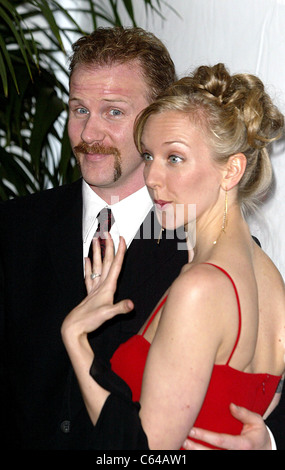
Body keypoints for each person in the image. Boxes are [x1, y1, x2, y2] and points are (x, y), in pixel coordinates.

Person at [0, 26, 283, 450]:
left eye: (113, 111)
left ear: (159, 112)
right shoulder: (13, 226)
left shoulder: (217, 254)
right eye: (79, 109)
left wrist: (268, 444)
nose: (89, 133)